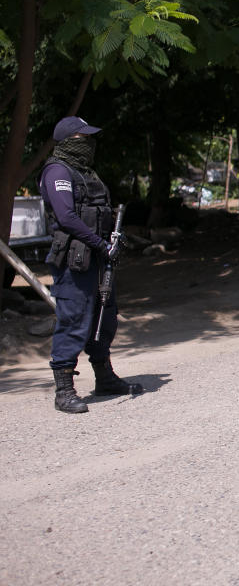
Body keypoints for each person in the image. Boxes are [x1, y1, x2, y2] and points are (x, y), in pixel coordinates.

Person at [38, 116, 143, 414]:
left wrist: (112, 238)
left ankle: (104, 378)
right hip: (76, 259)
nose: (90, 144)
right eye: (84, 139)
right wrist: (100, 245)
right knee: (74, 320)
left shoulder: (87, 173)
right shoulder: (57, 170)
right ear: (69, 141)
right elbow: (67, 217)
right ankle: (64, 391)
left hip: (98, 257)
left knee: (104, 315)